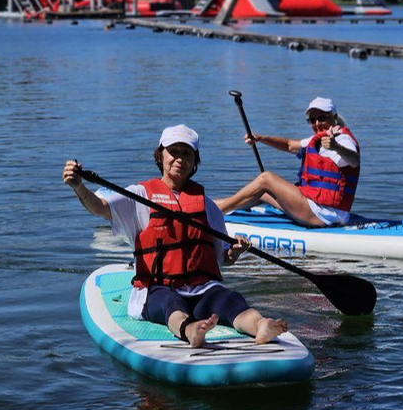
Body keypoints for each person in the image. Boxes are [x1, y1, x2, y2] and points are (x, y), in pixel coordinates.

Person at [62, 124, 288, 349]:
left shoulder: (207, 206)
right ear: (161, 155)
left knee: (229, 299)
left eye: (187, 153)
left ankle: (260, 325)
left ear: (194, 161)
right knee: (171, 303)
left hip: (200, 290)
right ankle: (191, 331)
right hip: (157, 289)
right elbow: (99, 207)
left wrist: (234, 251)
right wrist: (78, 187)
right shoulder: (140, 196)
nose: (180, 158)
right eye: (174, 152)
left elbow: (223, 259)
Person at [215, 97, 360, 227]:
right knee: (263, 193)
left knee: (266, 179)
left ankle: (216, 213)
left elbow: (354, 160)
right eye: (312, 120)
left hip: (325, 214)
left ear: (334, 117)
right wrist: (260, 139)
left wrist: (336, 147)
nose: (317, 123)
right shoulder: (316, 140)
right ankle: (211, 206)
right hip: (316, 207)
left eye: (322, 118)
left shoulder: (343, 140)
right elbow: (289, 145)